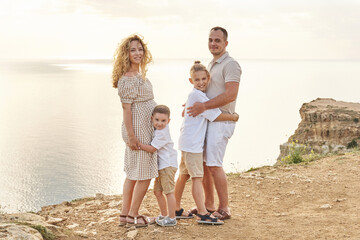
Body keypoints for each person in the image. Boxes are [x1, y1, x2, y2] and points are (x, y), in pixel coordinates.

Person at [187, 27, 242, 220]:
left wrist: (203, 106)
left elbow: (230, 94)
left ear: (225, 43)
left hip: (222, 122)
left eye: (217, 40)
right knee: (205, 164)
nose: (213, 43)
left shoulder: (231, 65)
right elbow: (206, 91)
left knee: (214, 165)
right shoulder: (212, 64)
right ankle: (209, 206)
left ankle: (224, 207)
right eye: (210, 40)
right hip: (210, 119)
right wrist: (193, 104)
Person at [175, 61, 239, 225]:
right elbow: (216, 115)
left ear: (208, 78)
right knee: (197, 177)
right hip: (193, 145)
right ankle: (203, 213)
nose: (201, 82)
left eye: (204, 79)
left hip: (186, 143)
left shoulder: (196, 95)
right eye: (197, 80)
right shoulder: (197, 96)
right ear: (191, 81)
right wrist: (233, 117)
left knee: (183, 175)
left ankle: (175, 208)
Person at [112, 34, 157, 227]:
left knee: (132, 173)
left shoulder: (139, 75)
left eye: (140, 49)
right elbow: (126, 108)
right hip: (138, 129)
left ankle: (125, 215)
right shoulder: (128, 79)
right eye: (133, 50)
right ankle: (133, 215)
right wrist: (131, 136)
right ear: (126, 54)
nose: (137, 53)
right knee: (144, 173)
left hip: (143, 126)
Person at [139, 105, 178, 227]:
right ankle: (164, 214)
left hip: (168, 165)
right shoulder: (158, 130)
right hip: (162, 166)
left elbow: (152, 148)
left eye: (163, 121)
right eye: (157, 120)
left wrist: (138, 144)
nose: (159, 123)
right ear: (152, 118)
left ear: (168, 121)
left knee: (169, 192)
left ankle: (172, 218)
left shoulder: (162, 133)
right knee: (157, 192)